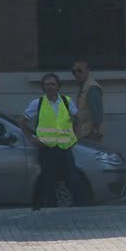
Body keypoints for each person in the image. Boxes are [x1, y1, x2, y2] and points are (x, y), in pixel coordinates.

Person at [22, 73, 82, 210]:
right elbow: (23, 121)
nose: (50, 86)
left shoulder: (66, 102)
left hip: (64, 147)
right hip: (46, 148)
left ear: (58, 86)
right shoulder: (38, 103)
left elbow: (77, 121)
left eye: (52, 84)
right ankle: (50, 206)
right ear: (43, 87)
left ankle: (78, 205)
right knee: (49, 178)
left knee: (72, 176)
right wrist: (31, 139)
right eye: (47, 84)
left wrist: (76, 138)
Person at [71, 60, 105, 145]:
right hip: (82, 133)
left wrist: (95, 132)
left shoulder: (92, 88)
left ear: (87, 71)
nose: (76, 74)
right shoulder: (84, 88)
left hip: (90, 134)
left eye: (79, 70)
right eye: (74, 72)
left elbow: (97, 113)